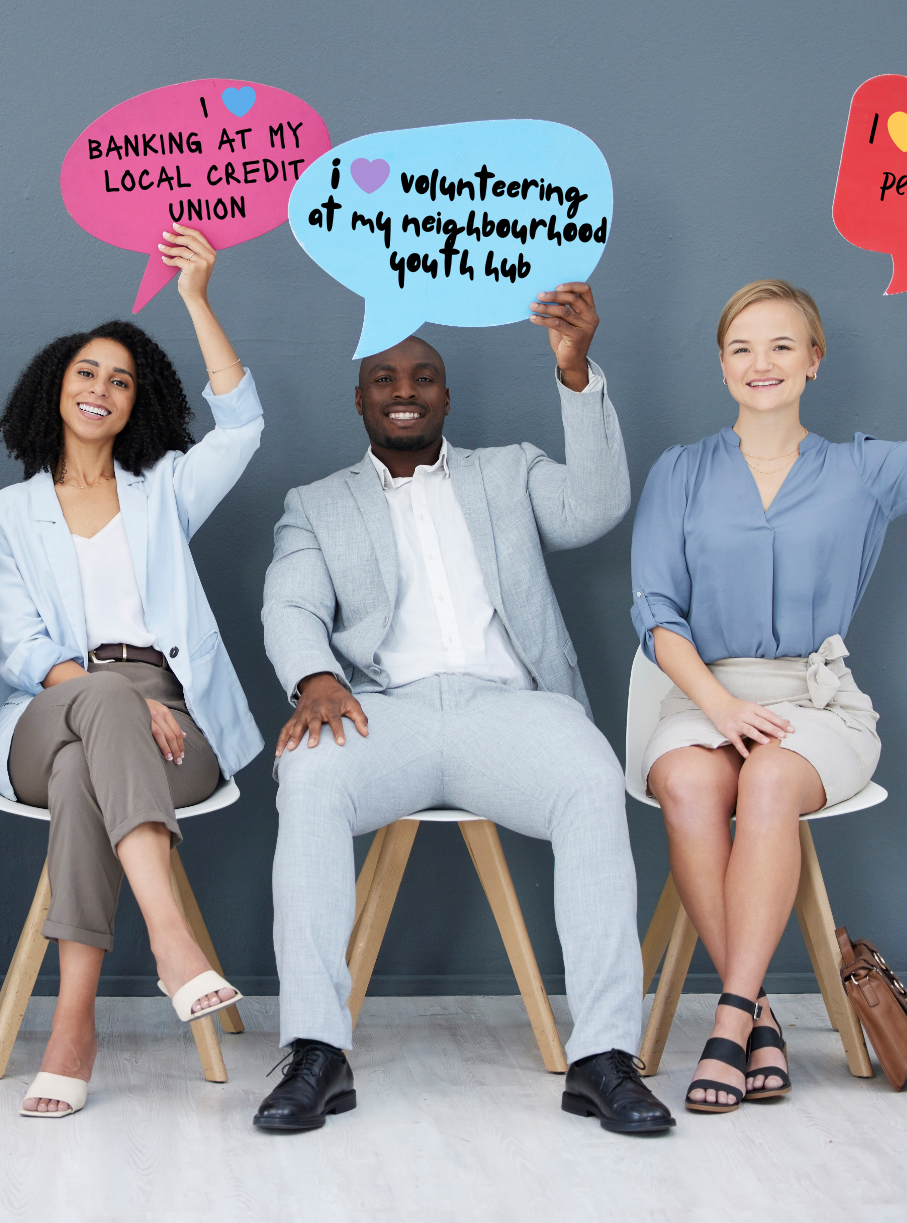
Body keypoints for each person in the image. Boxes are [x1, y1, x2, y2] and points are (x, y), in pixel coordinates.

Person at [258, 284, 674, 1136]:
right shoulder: (318, 501)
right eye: (384, 377)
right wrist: (312, 678)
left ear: (447, 395)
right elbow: (289, 605)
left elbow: (596, 505)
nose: (404, 388)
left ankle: (601, 1056)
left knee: (593, 777)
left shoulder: (508, 470)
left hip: (508, 708)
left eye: (423, 376)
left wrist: (575, 371)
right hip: (382, 712)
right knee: (306, 778)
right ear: (363, 396)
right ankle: (316, 1049)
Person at [630, 260, 907, 1113]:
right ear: (722, 365)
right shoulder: (680, 471)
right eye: (741, 347)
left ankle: (729, 1017)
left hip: (817, 704)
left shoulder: (862, 469)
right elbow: (656, 614)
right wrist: (720, 707)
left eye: (781, 344)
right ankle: (760, 1010)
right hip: (703, 693)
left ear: (816, 359)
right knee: (694, 782)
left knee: (769, 778)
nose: (760, 361)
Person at [0, 224, 261, 1118]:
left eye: (121, 379)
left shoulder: (163, 490)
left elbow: (244, 424)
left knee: (82, 777)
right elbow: (21, 649)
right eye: (86, 373)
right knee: (94, 715)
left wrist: (197, 299)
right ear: (55, 389)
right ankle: (171, 940)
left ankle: (73, 1026)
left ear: (140, 404)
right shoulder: (2, 517)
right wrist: (105, 694)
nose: (101, 388)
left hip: (171, 718)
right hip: (47, 705)